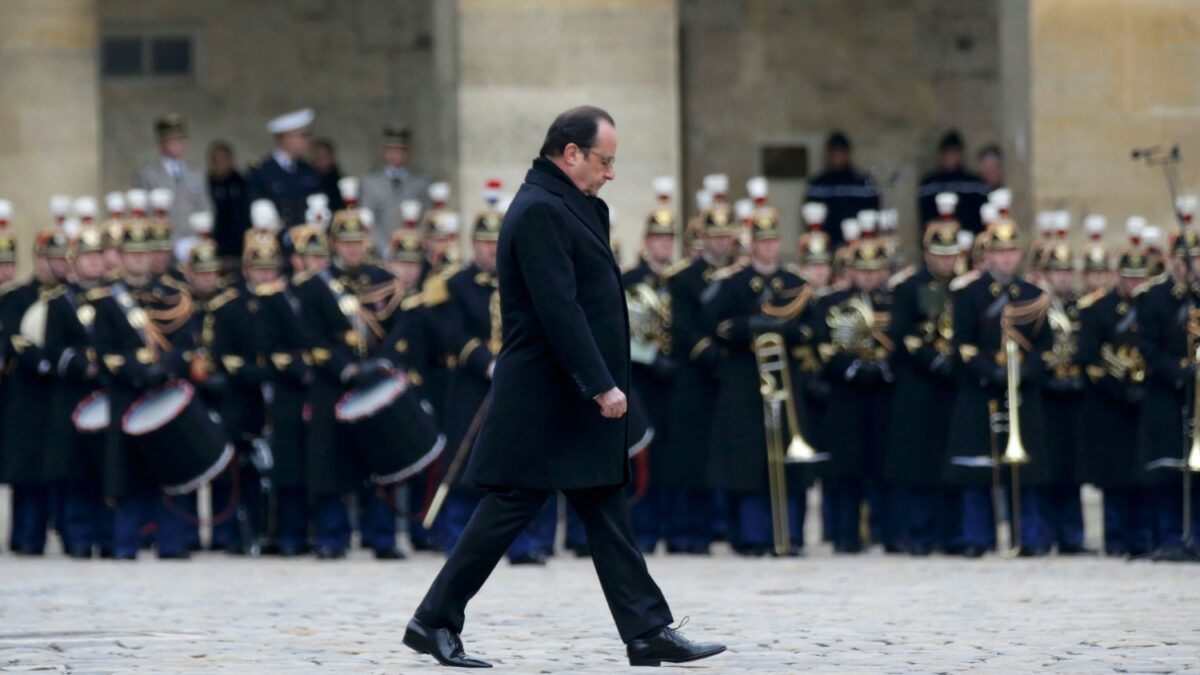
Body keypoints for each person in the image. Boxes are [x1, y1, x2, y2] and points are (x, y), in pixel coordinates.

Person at [404, 106, 724, 669]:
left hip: (569, 396)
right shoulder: (538, 211)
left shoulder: (575, 206)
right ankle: (433, 620)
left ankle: (647, 629)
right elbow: (559, 310)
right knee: (508, 507)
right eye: (606, 160)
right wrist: (600, 385)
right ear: (571, 153)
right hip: (546, 396)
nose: (611, 172)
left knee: (604, 505)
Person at [703, 184, 815, 556]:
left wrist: (783, 331)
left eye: (772, 242)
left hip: (786, 383)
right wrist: (752, 328)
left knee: (788, 459)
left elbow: (812, 330)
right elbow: (718, 326)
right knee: (748, 460)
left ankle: (791, 534)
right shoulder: (733, 283)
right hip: (745, 383)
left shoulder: (795, 283)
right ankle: (751, 535)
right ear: (751, 243)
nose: (767, 248)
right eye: (761, 242)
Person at [945, 217, 1052, 557]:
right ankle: (977, 536)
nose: (1006, 259)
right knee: (978, 469)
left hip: (1022, 390)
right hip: (981, 390)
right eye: (999, 252)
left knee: (1027, 472)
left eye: (1011, 251)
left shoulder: (1034, 295)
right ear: (988, 255)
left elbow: (1045, 346)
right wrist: (990, 371)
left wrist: (1024, 372)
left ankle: (1030, 536)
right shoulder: (968, 294)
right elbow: (960, 344)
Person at [883, 199, 963, 555]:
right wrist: (930, 359)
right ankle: (918, 532)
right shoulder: (910, 285)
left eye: (952, 254)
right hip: (918, 384)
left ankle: (951, 533)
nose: (947, 261)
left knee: (950, 461)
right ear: (927, 253)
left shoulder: (965, 287)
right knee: (917, 463)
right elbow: (901, 333)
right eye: (940, 254)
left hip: (954, 384)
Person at [814, 234, 896, 554]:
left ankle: (884, 532)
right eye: (862, 270)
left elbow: (903, 339)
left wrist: (882, 368)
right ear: (850, 270)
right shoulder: (830, 303)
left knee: (883, 467)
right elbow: (824, 345)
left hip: (883, 393)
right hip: (844, 395)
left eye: (874, 270)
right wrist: (850, 369)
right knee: (846, 470)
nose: (868, 276)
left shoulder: (893, 301)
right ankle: (845, 535)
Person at [1077, 242, 1153, 557]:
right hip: (1110, 404)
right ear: (1116, 276)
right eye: (1128, 277)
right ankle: (1117, 536)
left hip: (1147, 402)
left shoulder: (1154, 306)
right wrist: (1120, 390)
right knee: (1115, 474)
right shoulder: (1097, 309)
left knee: (1145, 475)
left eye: (1140, 277)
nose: (1134, 284)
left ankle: (1144, 537)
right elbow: (1090, 361)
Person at [133, 113, 212, 241]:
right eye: (172, 141)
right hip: (160, 243)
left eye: (181, 141)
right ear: (160, 144)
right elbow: (142, 213)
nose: (178, 145)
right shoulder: (147, 175)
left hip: (191, 241)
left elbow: (205, 208)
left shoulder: (195, 175)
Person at [361, 125, 432, 255]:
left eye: (401, 151)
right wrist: (385, 249)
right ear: (385, 152)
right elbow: (368, 220)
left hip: (412, 251)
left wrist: (415, 244)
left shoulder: (420, 183)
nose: (397, 155)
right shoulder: (371, 183)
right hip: (381, 252)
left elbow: (426, 218)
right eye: (392, 150)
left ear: (408, 153)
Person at [804, 131, 880, 249]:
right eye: (834, 152)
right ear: (828, 154)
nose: (837, 156)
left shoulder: (864, 183)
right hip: (826, 247)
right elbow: (809, 216)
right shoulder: (818, 184)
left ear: (848, 153)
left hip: (859, 247)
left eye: (841, 152)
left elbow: (874, 215)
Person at [247, 108, 321, 228]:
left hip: (308, 241)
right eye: (303, 136)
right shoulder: (261, 171)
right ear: (286, 138)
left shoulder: (308, 170)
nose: (308, 140)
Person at [917, 131, 990, 235]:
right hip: (938, 240)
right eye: (947, 153)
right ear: (940, 155)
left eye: (954, 153)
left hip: (969, 239)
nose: (950, 157)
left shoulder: (974, 183)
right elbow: (925, 218)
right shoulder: (929, 184)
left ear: (961, 154)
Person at [207, 141, 252, 262]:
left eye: (222, 159)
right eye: (214, 159)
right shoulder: (206, 184)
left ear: (231, 160)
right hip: (215, 245)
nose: (218, 163)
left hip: (239, 246)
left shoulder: (242, 183)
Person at [311, 138, 346, 213]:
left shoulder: (342, 183)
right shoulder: (307, 182)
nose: (321, 159)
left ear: (332, 157)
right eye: (318, 155)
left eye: (325, 155)